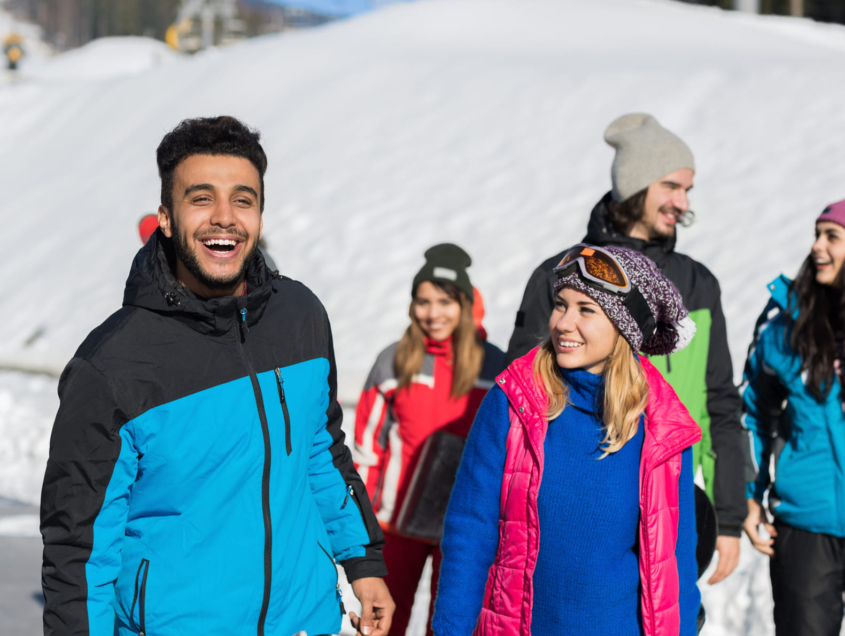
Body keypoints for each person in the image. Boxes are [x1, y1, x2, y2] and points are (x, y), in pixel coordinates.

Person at [41, 116, 394, 636]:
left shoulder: (300, 315)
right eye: (201, 198)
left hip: (305, 621)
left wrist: (362, 562)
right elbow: (80, 547)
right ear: (166, 216)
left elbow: (319, 448)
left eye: (243, 200)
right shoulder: (113, 364)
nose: (224, 218)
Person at [505, 113, 745, 583]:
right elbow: (520, 395)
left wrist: (730, 515)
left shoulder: (697, 285)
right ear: (636, 185)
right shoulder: (559, 275)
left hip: (670, 497)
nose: (682, 201)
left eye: (687, 190)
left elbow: (719, 401)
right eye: (672, 186)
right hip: (573, 498)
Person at [433, 244, 701, 636]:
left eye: (586, 310)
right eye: (561, 304)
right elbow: (471, 530)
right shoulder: (513, 403)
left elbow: (675, 559)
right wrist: (451, 629)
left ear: (624, 327)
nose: (563, 323)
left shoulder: (662, 427)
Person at [353, 244, 505, 636]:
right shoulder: (394, 360)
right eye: (423, 301)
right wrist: (362, 526)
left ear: (466, 305)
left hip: (462, 530)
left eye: (444, 301)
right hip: (393, 525)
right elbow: (369, 450)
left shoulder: (494, 366)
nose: (433, 313)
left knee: (452, 625)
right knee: (382, 623)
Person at [743, 198, 845, 636]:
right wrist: (749, 497)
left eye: (832, 236)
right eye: (817, 234)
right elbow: (752, 415)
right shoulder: (785, 331)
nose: (817, 247)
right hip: (806, 521)